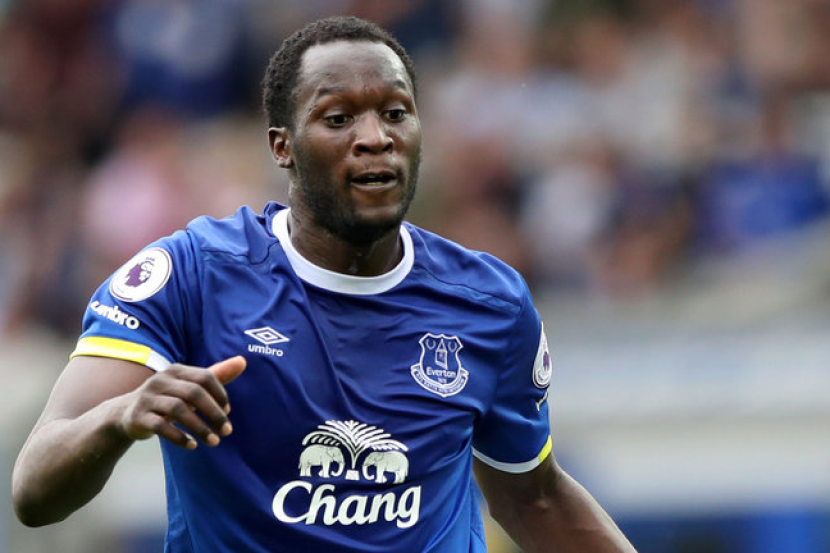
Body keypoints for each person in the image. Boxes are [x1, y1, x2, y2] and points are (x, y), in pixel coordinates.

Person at [12, 16, 636, 553]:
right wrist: (120, 416)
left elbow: (535, 498)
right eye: (338, 118)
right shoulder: (191, 277)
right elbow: (34, 492)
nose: (375, 138)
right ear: (283, 147)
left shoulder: (488, 304)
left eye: (396, 113)